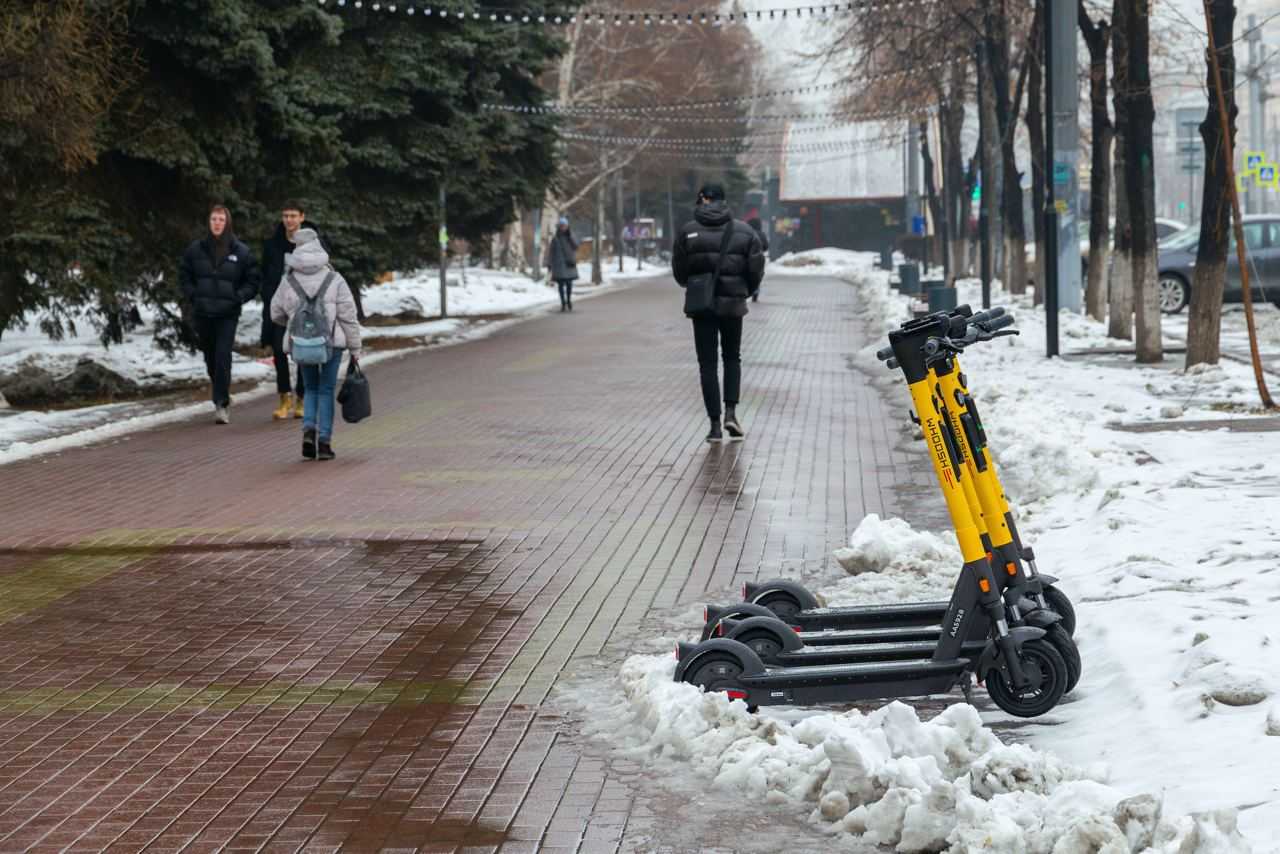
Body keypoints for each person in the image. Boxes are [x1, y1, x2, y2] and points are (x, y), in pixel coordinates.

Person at [672, 185, 765, 444]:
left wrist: (696, 284)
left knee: (708, 364)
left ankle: (714, 425)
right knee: (732, 357)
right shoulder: (744, 232)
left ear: (702, 200)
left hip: (702, 306)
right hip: (733, 305)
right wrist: (745, 290)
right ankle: (731, 414)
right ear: (724, 201)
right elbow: (756, 268)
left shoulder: (688, 231)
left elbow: (680, 272)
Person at [270, 228, 363, 461]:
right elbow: (348, 317)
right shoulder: (335, 278)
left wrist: (295, 322)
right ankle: (324, 442)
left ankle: (308, 431)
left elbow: (274, 313)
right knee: (326, 389)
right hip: (331, 343)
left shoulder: (288, 280)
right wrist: (355, 348)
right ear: (318, 246)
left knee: (310, 388)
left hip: (303, 343)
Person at [179, 204, 260, 424]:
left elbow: (253, 280)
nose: (217, 223)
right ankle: (220, 388)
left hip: (227, 313)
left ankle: (221, 403)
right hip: (203, 312)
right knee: (211, 359)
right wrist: (193, 295)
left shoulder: (240, 251)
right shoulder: (195, 250)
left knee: (223, 356)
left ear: (228, 223)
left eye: (221, 220)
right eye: (214, 219)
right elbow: (184, 275)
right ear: (209, 222)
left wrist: (239, 296)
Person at [260, 201, 330, 421]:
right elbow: (265, 273)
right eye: (285, 216)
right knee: (280, 352)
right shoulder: (272, 245)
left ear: (302, 217)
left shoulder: (312, 244)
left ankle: (301, 397)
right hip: (280, 305)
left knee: (303, 351)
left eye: (293, 216)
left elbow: (324, 268)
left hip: (305, 307)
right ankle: (284, 397)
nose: (289, 220)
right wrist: (267, 293)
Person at [545, 216, 579, 312]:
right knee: (560, 285)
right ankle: (563, 303)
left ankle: (568, 300)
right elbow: (551, 252)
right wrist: (549, 264)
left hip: (569, 264)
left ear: (567, 226)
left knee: (569, 284)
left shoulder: (570, 236)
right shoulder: (555, 238)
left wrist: (570, 237)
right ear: (559, 227)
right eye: (562, 226)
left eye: (565, 226)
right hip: (559, 265)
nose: (563, 227)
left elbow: (576, 246)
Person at [746, 217, 770, 303]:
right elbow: (766, 246)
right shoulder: (762, 234)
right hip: (759, 258)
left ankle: (747, 291)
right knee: (757, 274)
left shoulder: (748, 233)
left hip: (748, 257)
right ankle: (755, 291)